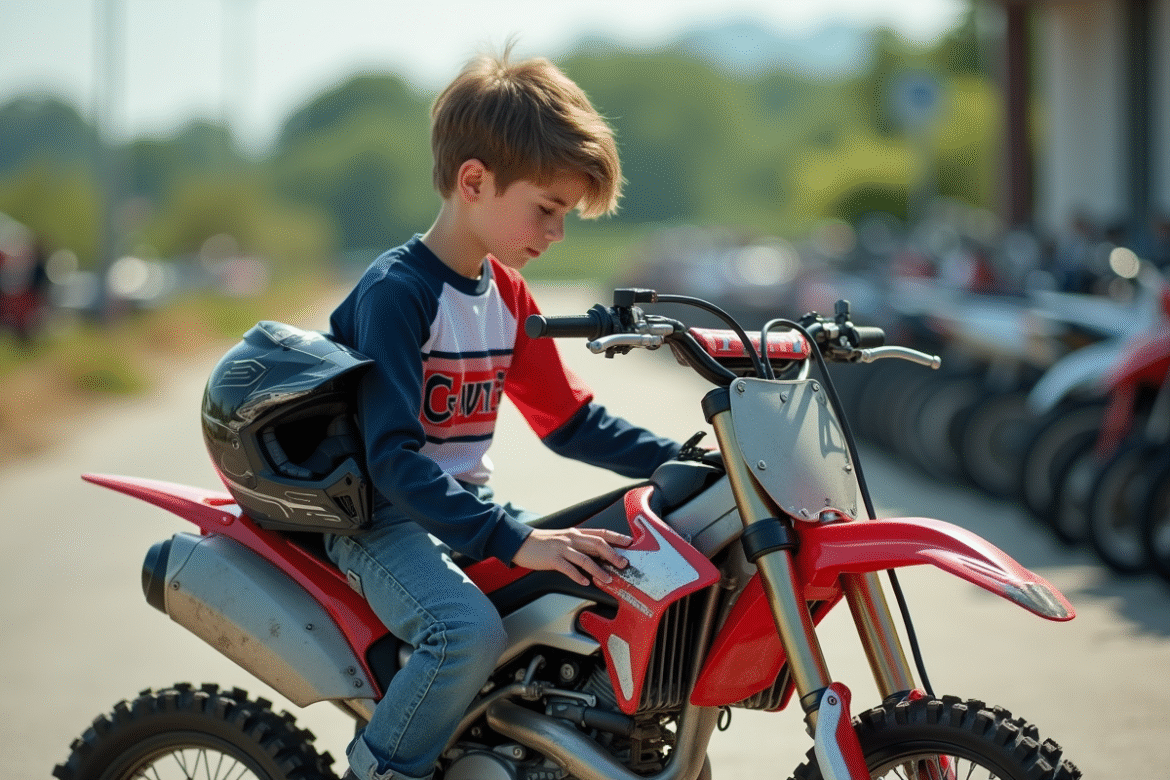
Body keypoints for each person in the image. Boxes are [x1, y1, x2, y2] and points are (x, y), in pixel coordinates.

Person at [324, 49, 682, 780]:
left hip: (462, 510)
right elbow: (391, 462)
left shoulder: (506, 294)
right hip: (377, 521)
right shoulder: (399, 293)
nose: (555, 233)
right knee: (465, 632)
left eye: (565, 216)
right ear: (475, 180)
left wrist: (688, 460)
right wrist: (514, 539)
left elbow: (571, 423)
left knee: (606, 580)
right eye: (546, 209)